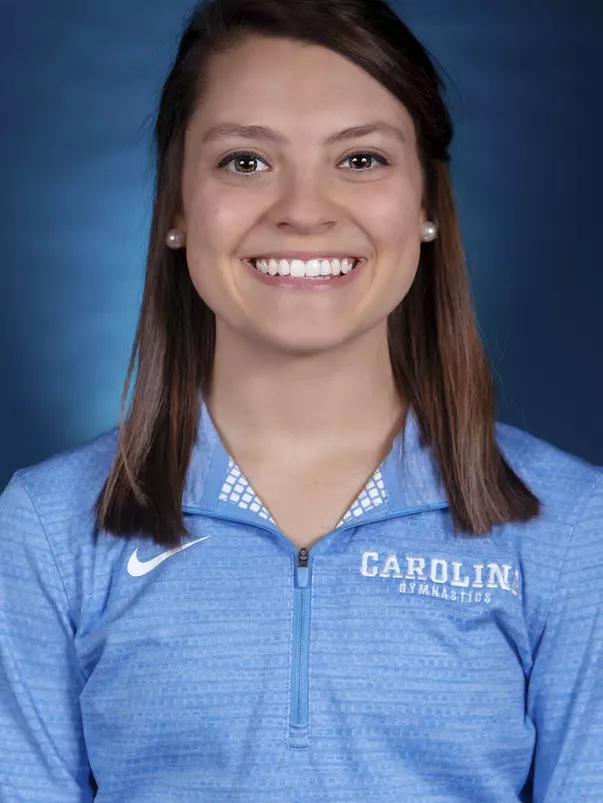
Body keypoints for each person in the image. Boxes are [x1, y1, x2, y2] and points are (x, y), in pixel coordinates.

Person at [0, 0, 601, 800]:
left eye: (360, 160)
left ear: (425, 204)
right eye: (245, 161)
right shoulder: (44, 529)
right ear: (177, 207)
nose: (303, 210)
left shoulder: (568, 529)